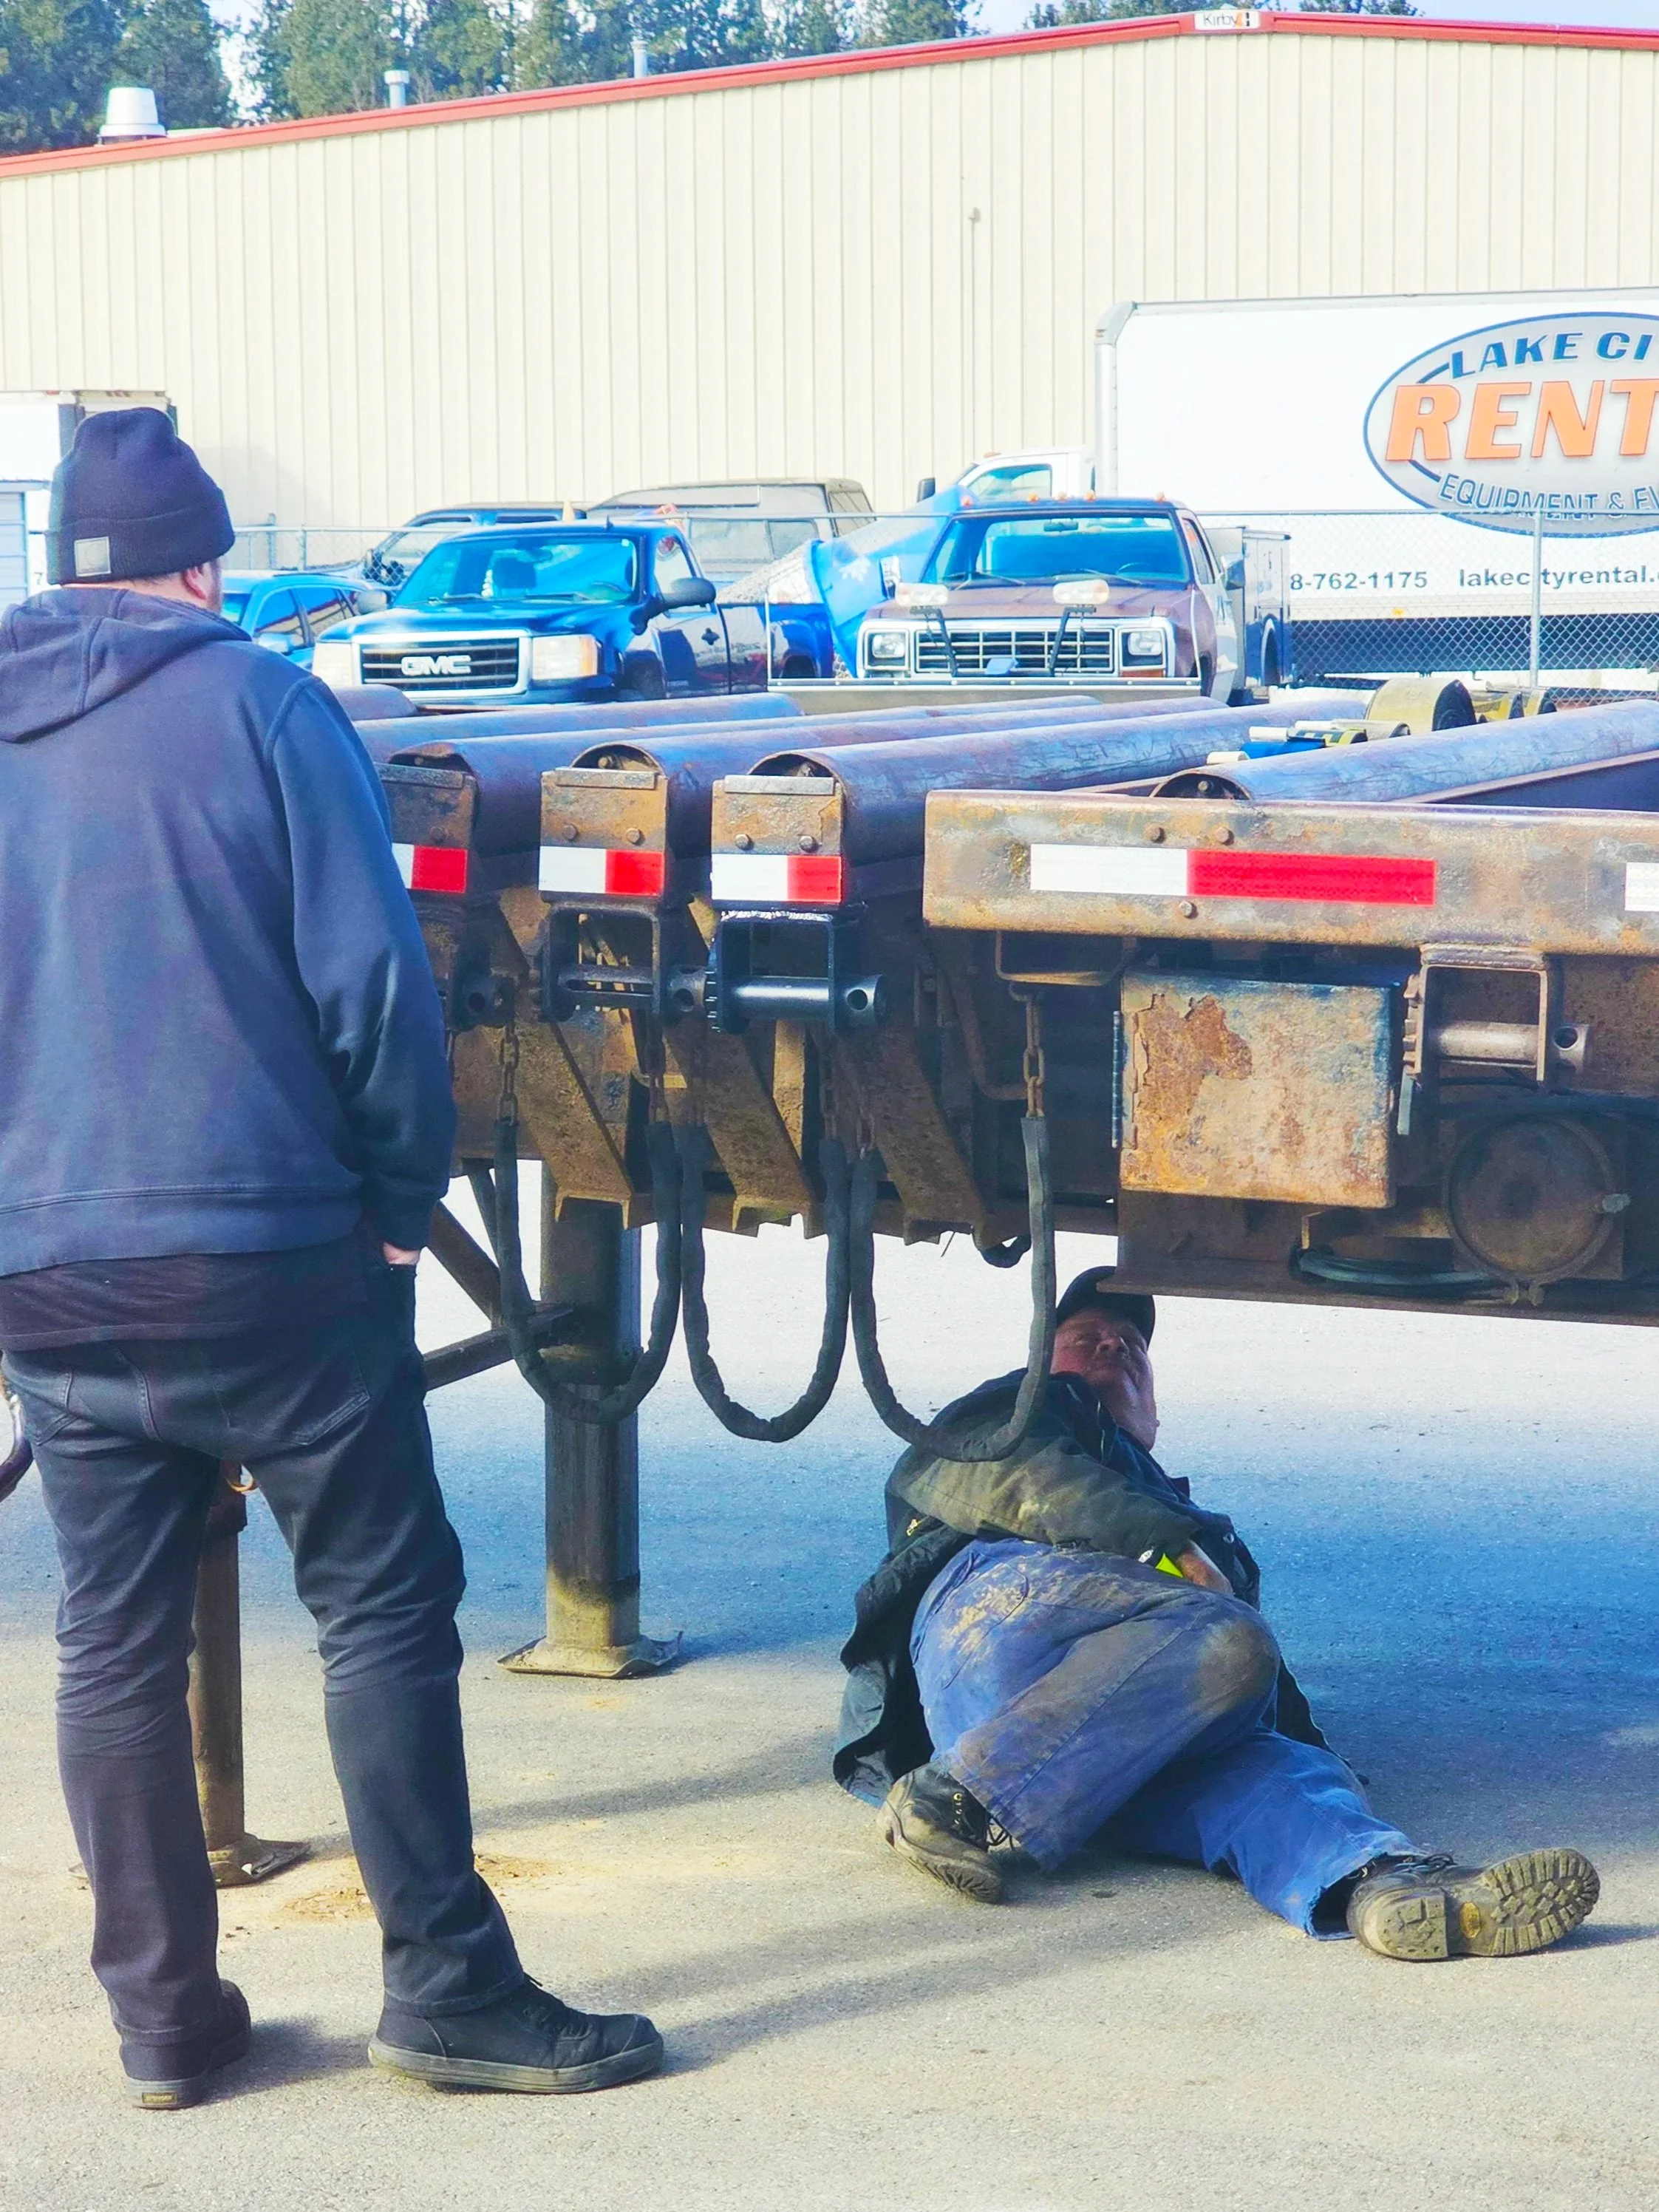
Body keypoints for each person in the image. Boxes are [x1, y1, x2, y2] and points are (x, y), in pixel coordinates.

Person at [0, 410, 662, 2108]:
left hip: (49, 1273)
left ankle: (164, 2021)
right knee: (379, 1597)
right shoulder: (267, 706)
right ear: (205, 563)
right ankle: (445, 1986)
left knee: (112, 1640)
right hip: (268, 1257)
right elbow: (371, 984)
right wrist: (395, 1184)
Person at [834, 1268, 1599, 1961]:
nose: (1111, 1343)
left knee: (1273, 1763)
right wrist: (1165, 1541)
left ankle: (1386, 1887)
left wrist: (1311, 1760)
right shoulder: (1020, 1411)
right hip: (1003, 1623)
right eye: (1084, 1335)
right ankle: (950, 1797)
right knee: (1224, 1640)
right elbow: (993, 1470)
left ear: (1154, 1411)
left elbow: (1251, 1681)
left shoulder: (1168, 1497)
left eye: (1130, 1343)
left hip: (1108, 1737)